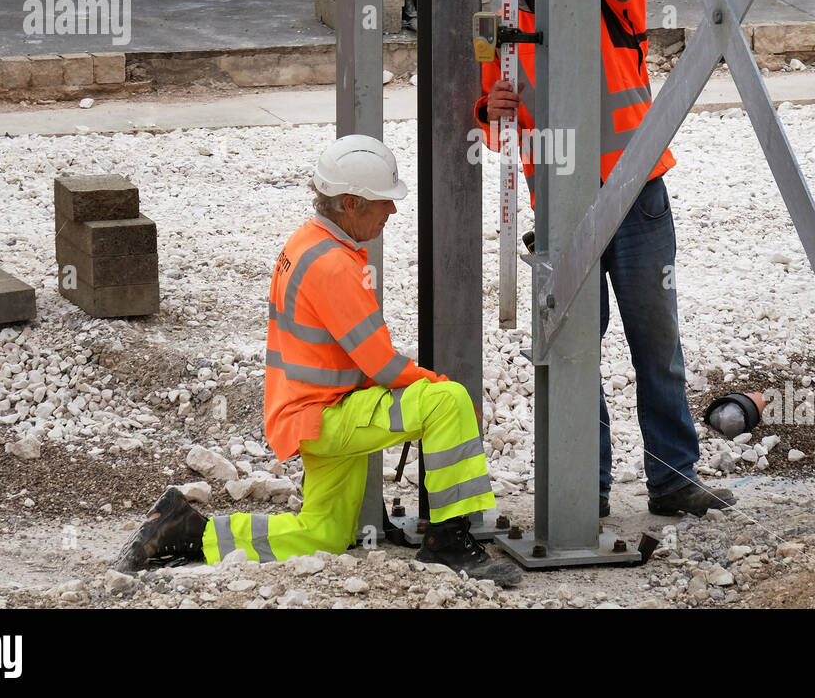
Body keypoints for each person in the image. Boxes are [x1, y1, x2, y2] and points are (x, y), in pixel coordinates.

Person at [114, 135, 521, 585]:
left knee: (323, 534)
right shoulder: (334, 265)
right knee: (448, 401)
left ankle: (189, 531)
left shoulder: (305, 243)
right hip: (327, 414)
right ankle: (447, 542)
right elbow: (382, 366)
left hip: (310, 414)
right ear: (350, 203)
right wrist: (436, 385)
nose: (393, 211)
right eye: (384, 202)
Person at [475, 0, 764, 519]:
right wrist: (488, 112)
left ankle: (672, 480)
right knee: (577, 343)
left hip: (636, 193)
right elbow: (494, 128)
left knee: (655, 340)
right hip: (560, 204)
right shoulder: (502, 21)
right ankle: (587, 483)